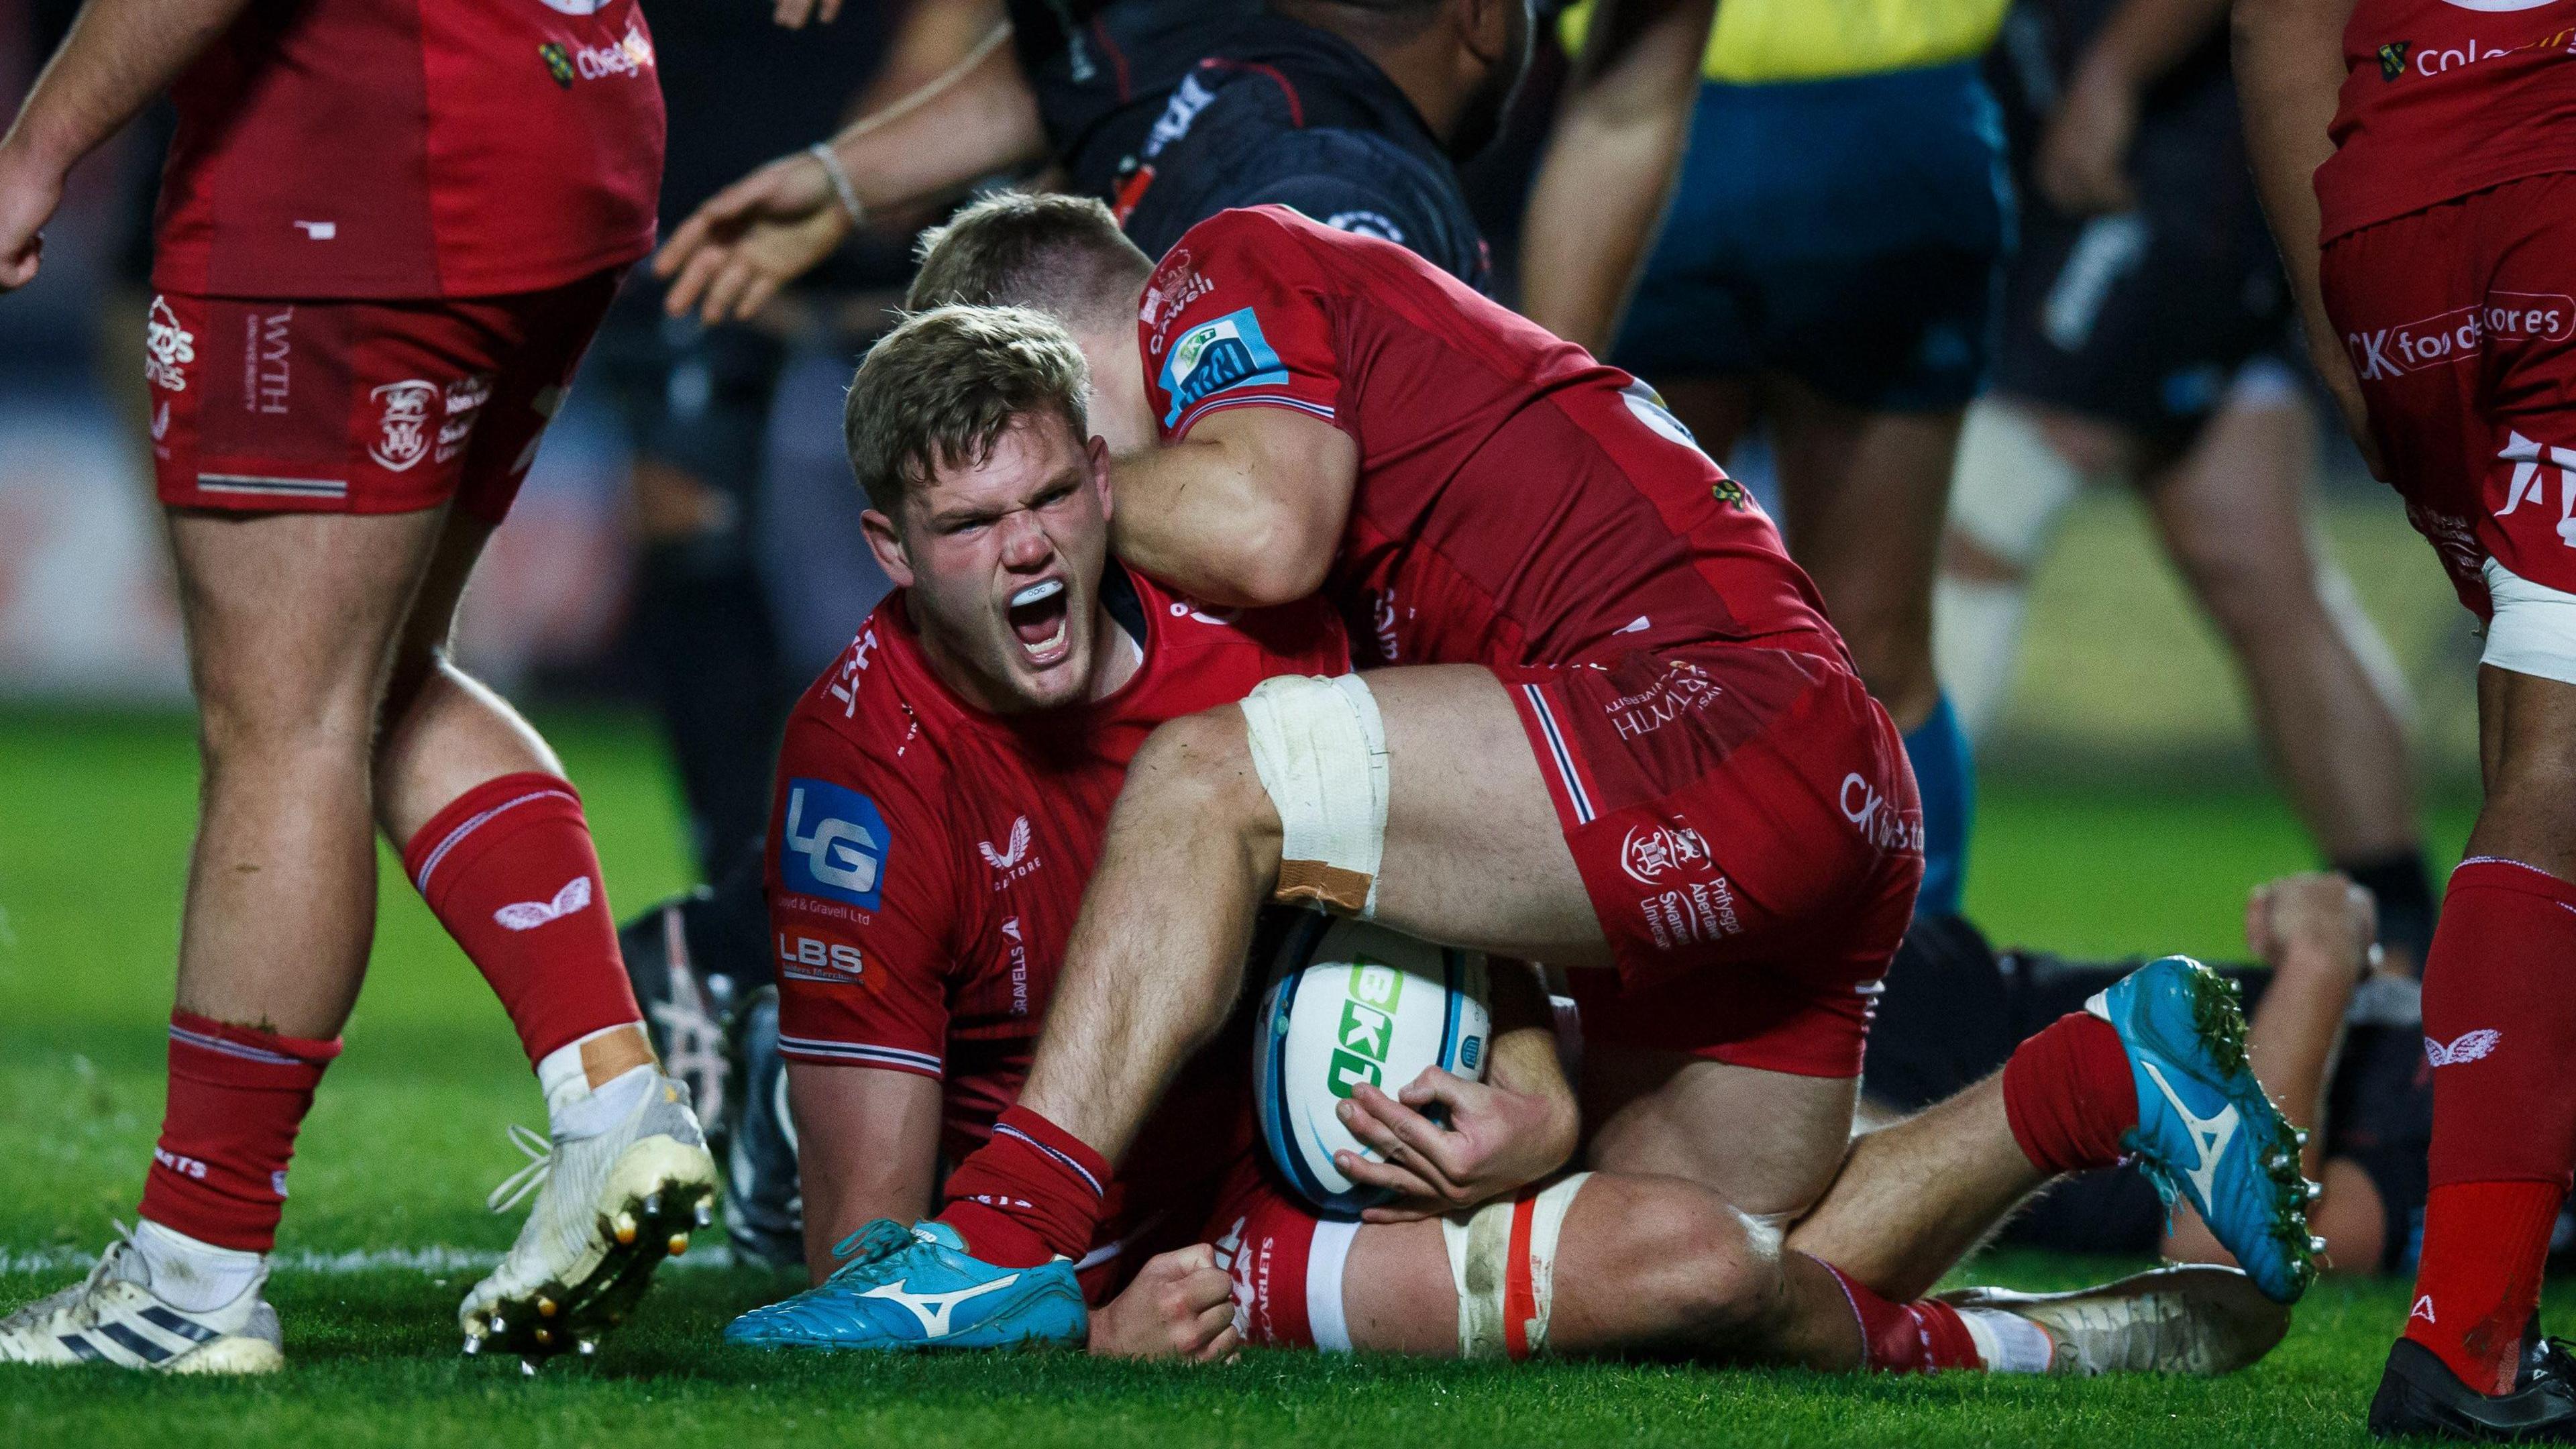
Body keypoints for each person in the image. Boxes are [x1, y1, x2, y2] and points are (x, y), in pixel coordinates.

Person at [745, 192, 2318, 1354]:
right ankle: (2093, 1091)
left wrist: (1053, 513)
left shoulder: (1227, 274)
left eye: (1066, 452)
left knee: (1202, 781)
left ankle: (1001, 1239)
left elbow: (1268, 526)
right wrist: (1540, 1106)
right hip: (1805, 767)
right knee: (1716, 1245)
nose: (1070, 510)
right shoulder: (917, 717)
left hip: (1692, 706)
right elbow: (1456, 846)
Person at [0, 0, 713, 1374]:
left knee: (284, 719)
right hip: (568, 115)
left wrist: (40, 145)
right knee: (372, 680)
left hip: (362, 160)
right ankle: (611, 1100)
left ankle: (189, 1280)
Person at [1931, 0, 2434, 971]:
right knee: (2255, 566)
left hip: (2173, 151)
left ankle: (1882, 903)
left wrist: (2115, 73)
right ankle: (2410, 954)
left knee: (1980, 514)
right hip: (2203, 153)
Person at [2236, 0, 2576, 1435]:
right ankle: (2471, 1333)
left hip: (2390, 234)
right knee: (2562, 774)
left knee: (2533, 754)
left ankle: (2494, 1320)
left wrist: (2332, 325)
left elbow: (2272, 18)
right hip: (2558, 198)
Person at [1517, 0, 2015, 916]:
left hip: (1819, 114)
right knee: (1626, 636)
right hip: (1680, 103)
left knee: (1860, 646)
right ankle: (1646, 970)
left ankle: (1910, 987)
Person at [651, 0, 1522, 327]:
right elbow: (1070, 78)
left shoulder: (1327, 175)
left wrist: (1044, 495)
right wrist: (846, 180)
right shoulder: (1183, 49)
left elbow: (1269, 530)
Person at [1872, 874, 2431, 1275]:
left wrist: (2320, 956)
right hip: (1955, 998)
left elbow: (2236, 1242)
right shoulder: (2465, 1041)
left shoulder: (2463, 1146)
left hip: (1943, 1110)